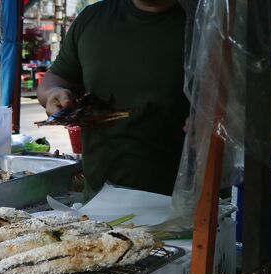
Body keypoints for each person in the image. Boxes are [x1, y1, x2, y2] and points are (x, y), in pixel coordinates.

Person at [37, 0, 189, 197]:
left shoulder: (209, 22)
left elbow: (235, 109)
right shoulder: (92, 19)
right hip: (99, 203)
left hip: (186, 205)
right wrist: (52, 93)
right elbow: (56, 78)